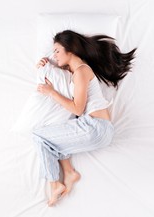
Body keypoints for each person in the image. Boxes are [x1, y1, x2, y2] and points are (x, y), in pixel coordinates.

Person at [33, 30, 136, 206]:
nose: (54, 55)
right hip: (97, 129)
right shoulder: (77, 70)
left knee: (39, 136)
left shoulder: (81, 71)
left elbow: (78, 109)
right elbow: (63, 68)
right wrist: (46, 63)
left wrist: (51, 92)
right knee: (55, 136)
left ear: (70, 49)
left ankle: (54, 182)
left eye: (57, 51)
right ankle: (69, 172)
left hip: (94, 127)